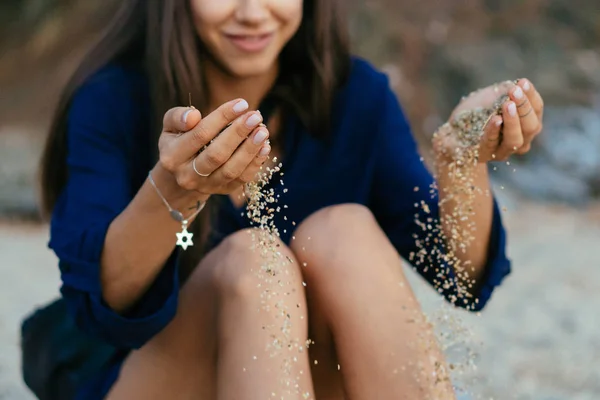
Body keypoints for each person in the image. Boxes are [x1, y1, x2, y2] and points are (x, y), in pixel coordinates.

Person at [38, 0, 544, 399]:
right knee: (255, 262)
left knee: (343, 228)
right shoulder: (113, 101)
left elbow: (461, 277)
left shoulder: (354, 97)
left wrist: (461, 163)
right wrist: (177, 189)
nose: (254, 11)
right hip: (157, 380)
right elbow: (101, 304)